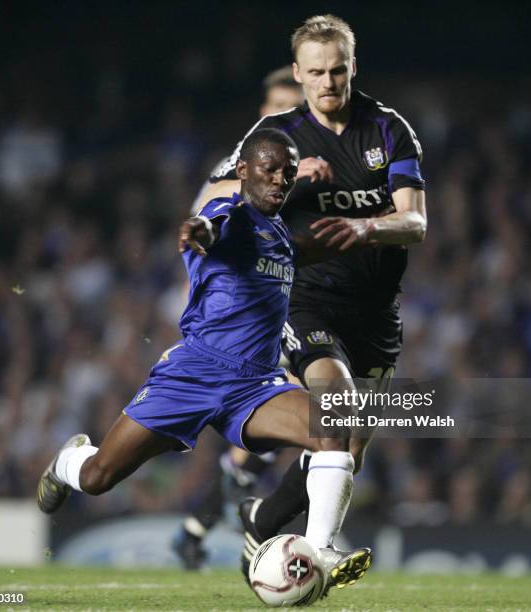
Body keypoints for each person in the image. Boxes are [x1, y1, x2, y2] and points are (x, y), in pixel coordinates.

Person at [37, 129, 371, 595]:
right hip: (192, 377)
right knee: (98, 478)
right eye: (270, 170)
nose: (280, 180)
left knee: (334, 425)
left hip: (255, 386)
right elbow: (213, 228)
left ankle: (321, 550)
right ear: (243, 172)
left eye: (288, 173)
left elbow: (303, 248)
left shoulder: (281, 236)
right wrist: (199, 231)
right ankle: (69, 461)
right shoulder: (229, 216)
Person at [198, 14, 427, 579]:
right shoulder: (275, 136)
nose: (329, 83)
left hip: (375, 310)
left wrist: (369, 229)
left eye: (339, 71)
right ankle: (320, 552)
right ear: (298, 74)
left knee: (347, 449)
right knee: (334, 397)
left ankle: (262, 518)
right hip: (303, 297)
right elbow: (221, 191)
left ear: (353, 69)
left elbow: (416, 221)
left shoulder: (390, 130)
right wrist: (293, 179)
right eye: (317, 72)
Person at [173, 65, 305, 570]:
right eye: (273, 107)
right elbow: (207, 214)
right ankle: (239, 510)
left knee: (281, 430)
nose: (279, 116)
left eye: (289, 109)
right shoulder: (239, 167)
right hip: (239, 308)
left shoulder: (303, 168)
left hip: (288, 298)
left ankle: (200, 524)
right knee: (301, 414)